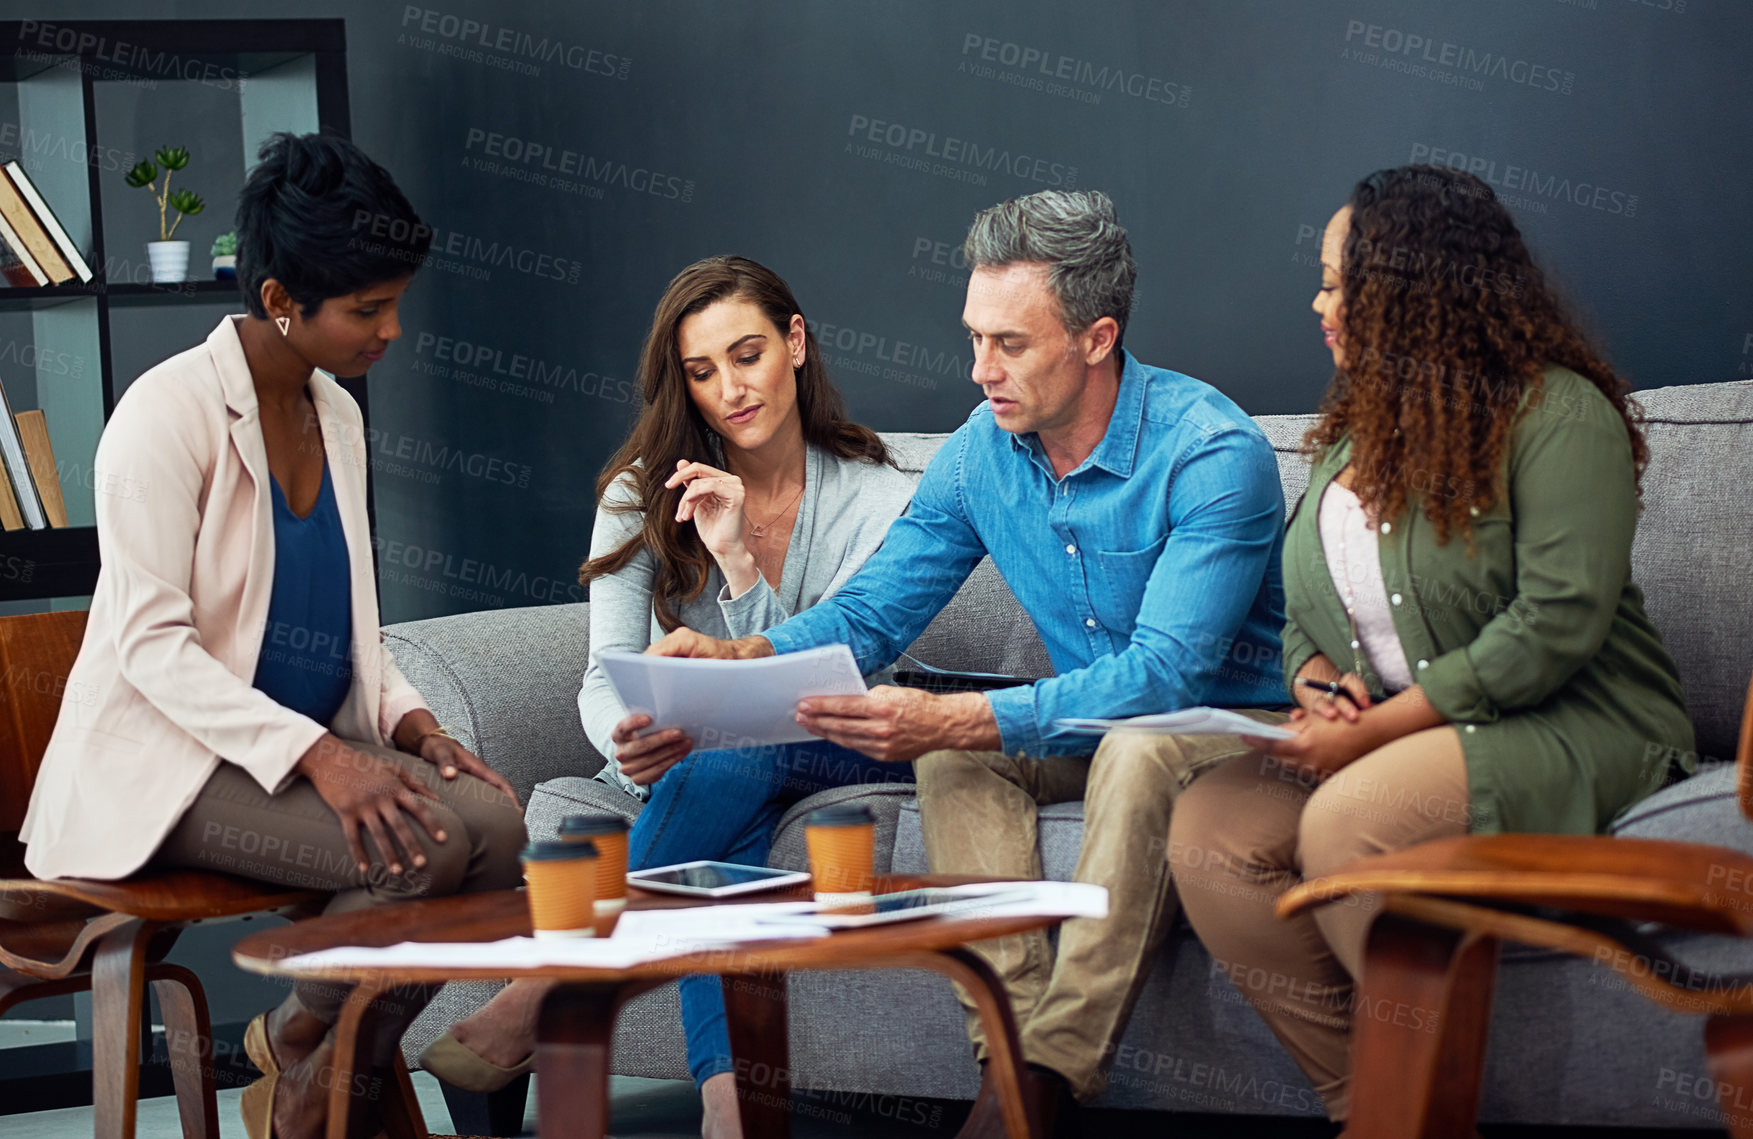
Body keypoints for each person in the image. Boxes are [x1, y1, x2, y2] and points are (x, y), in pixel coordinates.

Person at [641, 191, 1290, 1136]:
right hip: (1084, 722)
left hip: (1231, 724)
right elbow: (870, 613)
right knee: (953, 757)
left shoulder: (1211, 453)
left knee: (1103, 745)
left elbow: (1164, 680)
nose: (979, 369)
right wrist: (740, 654)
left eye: (1010, 344)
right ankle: (1009, 1056)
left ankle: (1051, 1072)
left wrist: (955, 713)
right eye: (973, 337)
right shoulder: (980, 452)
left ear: (1097, 338)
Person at [20, 131, 527, 1139]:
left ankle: (321, 1047)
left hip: (289, 754)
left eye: (395, 301)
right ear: (279, 302)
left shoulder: (335, 410)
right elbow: (151, 645)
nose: (390, 329)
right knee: (422, 849)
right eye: (365, 309)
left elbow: (347, 623)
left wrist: (415, 726)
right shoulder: (162, 418)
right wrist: (327, 757)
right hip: (174, 763)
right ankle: (311, 1059)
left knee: (501, 830)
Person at [1165, 164, 1695, 1123]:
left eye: (1338, 280)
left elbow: (1555, 625)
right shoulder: (1352, 434)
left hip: (1572, 718)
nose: (1316, 300)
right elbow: (1303, 613)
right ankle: (1377, 1104)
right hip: (1397, 730)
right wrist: (1316, 679)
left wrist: (1370, 737)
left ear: (1413, 286)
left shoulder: (1558, 413)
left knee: (1344, 824)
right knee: (1211, 831)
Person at [419, 255, 915, 1139]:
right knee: (719, 831)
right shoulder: (639, 492)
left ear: (795, 344)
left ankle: (547, 991)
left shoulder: (878, 498)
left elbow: (818, 670)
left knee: (736, 747)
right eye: (701, 370)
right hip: (701, 768)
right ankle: (730, 1107)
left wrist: (735, 564)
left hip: (843, 739)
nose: (731, 388)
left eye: (749, 354)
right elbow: (603, 670)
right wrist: (625, 743)